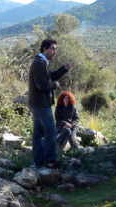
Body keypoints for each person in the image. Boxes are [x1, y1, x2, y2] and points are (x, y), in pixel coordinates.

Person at [28, 39, 71, 169]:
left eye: (55, 49)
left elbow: (50, 76)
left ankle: (39, 162)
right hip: (41, 106)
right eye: (53, 49)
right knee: (51, 132)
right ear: (45, 49)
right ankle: (50, 160)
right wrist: (55, 85)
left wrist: (63, 69)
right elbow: (41, 84)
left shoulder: (42, 63)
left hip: (38, 104)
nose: (55, 52)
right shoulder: (38, 63)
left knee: (38, 134)